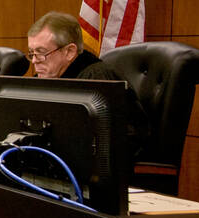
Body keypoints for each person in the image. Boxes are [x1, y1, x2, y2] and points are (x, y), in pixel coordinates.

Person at [26, 12, 148, 156]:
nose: (34, 61)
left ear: (69, 52)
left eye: (41, 53)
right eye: (31, 53)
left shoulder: (97, 79)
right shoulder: (45, 79)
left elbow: (120, 140)